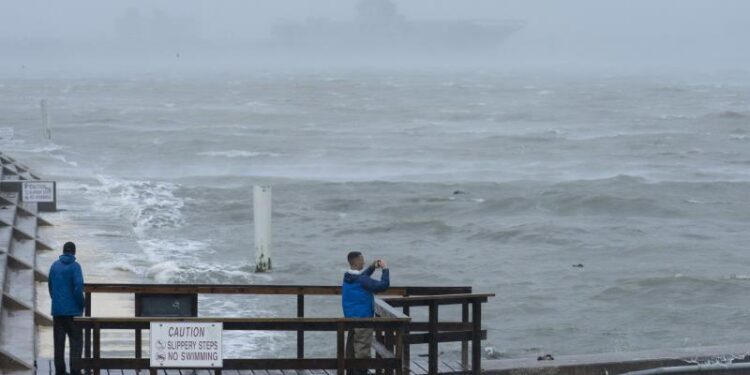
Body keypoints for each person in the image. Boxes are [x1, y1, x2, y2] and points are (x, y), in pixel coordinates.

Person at [342, 251, 390, 375]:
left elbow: (362, 277)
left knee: (352, 349)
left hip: (350, 318)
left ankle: (351, 373)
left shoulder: (348, 276)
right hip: (363, 319)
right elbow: (383, 286)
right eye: (362, 259)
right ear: (357, 262)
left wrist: (372, 267)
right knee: (362, 351)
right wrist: (385, 269)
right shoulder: (362, 280)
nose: (363, 261)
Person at [48, 241, 85, 375]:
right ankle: (75, 370)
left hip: (57, 311)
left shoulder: (54, 266)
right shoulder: (75, 267)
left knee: (59, 342)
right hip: (73, 312)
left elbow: (51, 287)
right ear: (74, 252)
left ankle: (60, 371)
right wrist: (81, 303)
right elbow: (78, 286)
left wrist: (57, 301)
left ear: (63, 251)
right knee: (76, 341)